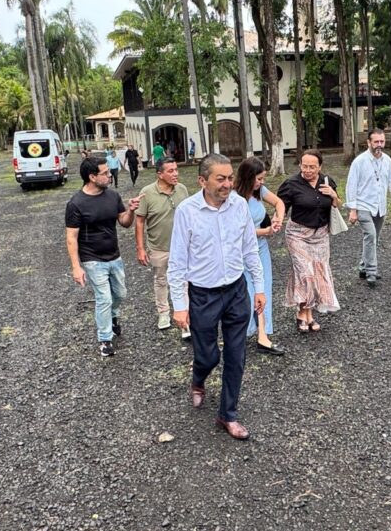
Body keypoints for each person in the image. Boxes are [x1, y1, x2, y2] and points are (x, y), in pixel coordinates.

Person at [167, 154, 264, 441]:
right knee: (208, 355)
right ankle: (198, 380)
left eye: (230, 177)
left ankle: (227, 414)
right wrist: (180, 305)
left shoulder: (240, 206)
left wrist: (258, 287)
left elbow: (250, 249)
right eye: (220, 179)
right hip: (202, 295)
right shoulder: (187, 211)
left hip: (236, 291)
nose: (227, 184)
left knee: (237, 355)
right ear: (202, 181)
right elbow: (177, 263)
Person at [66, 156, 142, 357]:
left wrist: (131, 211)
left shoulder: (113, 196)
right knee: (104, 298)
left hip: (114, 257)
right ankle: (105, 339)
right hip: (92, 259)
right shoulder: (76, 204)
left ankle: (113, 317)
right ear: (92, 177)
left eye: (109, 172)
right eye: (105, 173)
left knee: (120, 294)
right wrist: (76, 266)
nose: (110, 175)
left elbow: (124, 222)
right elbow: (71, 238)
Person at [276, 150, 341, 333]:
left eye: (312, 167)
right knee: (305, 272)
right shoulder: (291, 184)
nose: (308, 170)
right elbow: (281, 206)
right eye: (304, 166)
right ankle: (300, 313)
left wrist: (333, 195)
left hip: (320, 235)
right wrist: (277, 220)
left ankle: (309, 314)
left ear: (320, 167)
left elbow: (337, 205)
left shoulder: (327, 182)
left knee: (318, 273)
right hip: (298, 234)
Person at [233, 157, 286, 355]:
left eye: (263, 179)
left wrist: (277, 218)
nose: (262, 182)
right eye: (259, 179)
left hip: (261, 248)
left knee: (263, 287)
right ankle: (246, 329)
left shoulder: (259, 192)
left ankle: (263, 335)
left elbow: (279, 202)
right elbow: (236, 232)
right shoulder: (234, 198)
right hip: (241, 251)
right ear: (248, 177)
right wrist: (266, 232)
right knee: (248, 290)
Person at [135, 157, 189, 336]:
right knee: (161, 280)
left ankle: (185, 317)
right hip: (159, 246)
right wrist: (141, 248)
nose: (175, 174)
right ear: (159, 174)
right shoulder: (147, 193)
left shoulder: (182, 190)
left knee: (184, 282)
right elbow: (140, 221)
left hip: (182, 247)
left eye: (176, 169)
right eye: (170, 171)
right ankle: (163, 313)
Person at [345, 128, 391, 288]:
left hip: (380, 206)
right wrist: (352, 209)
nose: (379, 144)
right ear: (369, 143)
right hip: (363, 205)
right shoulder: (359, 162)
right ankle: (372, 271)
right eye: (376, 141)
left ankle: (363, 267)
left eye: (382, 141)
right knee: (370, 235)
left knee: (374, 238)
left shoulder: (387, 161)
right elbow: (351, 185)